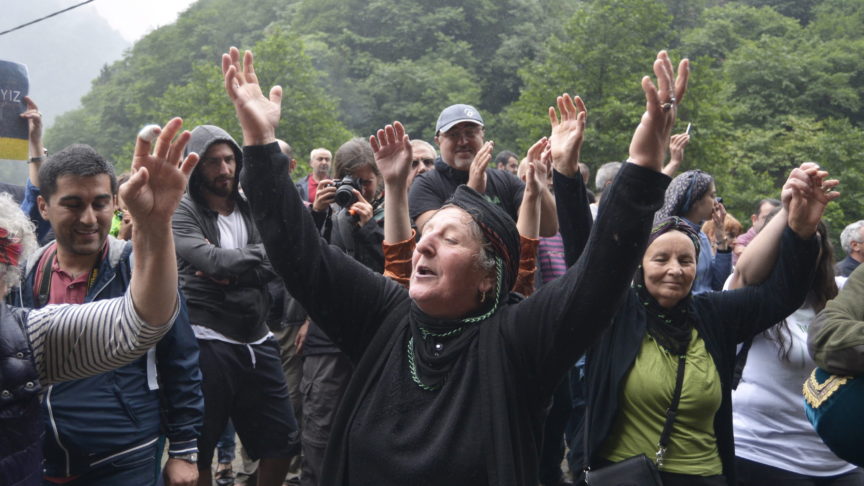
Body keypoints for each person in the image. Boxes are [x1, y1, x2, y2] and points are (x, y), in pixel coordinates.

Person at [222, 45, 683, 485]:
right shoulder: (384, 315)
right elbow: (300, 255)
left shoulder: (516, 341)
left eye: (449, 239)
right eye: (426, 236)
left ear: (488, 277)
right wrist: (261, 145)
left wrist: (642, 165)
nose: (423, 247)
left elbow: (597, 280)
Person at [569, 159, 836, 486]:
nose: (674, 270)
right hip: (625, 475)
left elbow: (782, 296)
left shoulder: (714, 314)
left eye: (685, 260)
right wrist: (566, 174)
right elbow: (582, 254)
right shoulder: (616, 312)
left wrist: (801, 230)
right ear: (640, 265)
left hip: (704, 476)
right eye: (661, 259)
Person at [0, 118, 197, 485]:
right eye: (73, 205)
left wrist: (184, 448)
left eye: (100, 204)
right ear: (43, 206)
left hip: (125, 455)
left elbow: (177, 353)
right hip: (39, 457)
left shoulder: (141, 269)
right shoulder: (22, 273)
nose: (89, 219)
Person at [171, 124, 299, 486]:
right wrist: (248, 262)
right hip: (205, 337)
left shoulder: (251, 207)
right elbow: (211, 262)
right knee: (201, 446)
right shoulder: (183, 210)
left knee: (283, 440)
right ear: (196, 166)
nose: (224, 169)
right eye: (213, 162)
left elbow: (277, 261)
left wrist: (234, 267)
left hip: (257, 337)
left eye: (229, 160)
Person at [727, 195, 864, 486]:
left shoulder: (840, 292)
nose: (798, 252)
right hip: (763, 454)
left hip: (839, 459)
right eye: (790, 242)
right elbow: (744, 270)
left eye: (808, 242)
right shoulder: (750, 296)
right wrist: (788, 209)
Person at [408, 103, 557, 237]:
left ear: (482, 134)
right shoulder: (425, 184)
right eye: (453, 135)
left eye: (470, 132)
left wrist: (538, 187)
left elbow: (548, 229)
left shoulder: (506, 180)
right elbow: (435, 234)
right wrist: (472, 191)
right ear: (438, 141)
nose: (463, 141)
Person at [655, 169, 731, 293]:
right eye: (712, 196)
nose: (716, 202)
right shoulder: (674, 236)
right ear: (696, 201)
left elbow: (719, 283)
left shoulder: (701, 236)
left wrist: (721, 236)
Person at [733, 198, 781, 265]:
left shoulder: (783, 240)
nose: (771, 222)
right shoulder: (740, 243)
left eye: (776, 219)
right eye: (766, 218)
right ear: (754, 220)